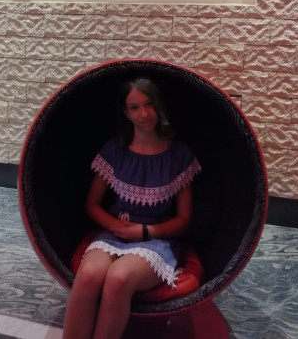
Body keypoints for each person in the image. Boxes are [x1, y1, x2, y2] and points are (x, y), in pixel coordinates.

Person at [63, 77, 202, 339]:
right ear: (126, 113)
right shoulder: (114, 150)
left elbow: (184, 219)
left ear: (158, 105)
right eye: (135, 107)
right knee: (89, 274)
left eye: (149, 104)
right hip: (114, 234)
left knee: (119, 277)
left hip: (157, 239)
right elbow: (92, 204)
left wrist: (145, 231)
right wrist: (115, 226)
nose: (144, 113)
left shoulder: (179, 155)